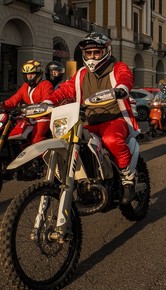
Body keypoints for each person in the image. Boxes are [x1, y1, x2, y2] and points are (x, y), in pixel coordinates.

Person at [42, 32, 139, 204]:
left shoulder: (117, 67)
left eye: (96, 52)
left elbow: (126, 77)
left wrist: (122, 88)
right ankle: (79, 181)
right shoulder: (80, 74)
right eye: (89, 53)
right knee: (68, 142)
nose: (92, 57)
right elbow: (66, 89)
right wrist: (49, 100)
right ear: (84, 54)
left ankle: (127, 179)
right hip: (87, 122)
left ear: (106, 51)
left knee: (111, 140)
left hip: (115, 119)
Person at [0, 59, 54, 144]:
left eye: (31, 74)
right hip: (27, 117)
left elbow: (47, 101)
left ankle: (41, 156)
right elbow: (15, 99)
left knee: (36, 140)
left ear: (38, 74)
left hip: (42, 118)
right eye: (27, 74)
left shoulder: (46, 84)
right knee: (16, 134)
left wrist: (42, 105)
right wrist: (3, 104)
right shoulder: (25, 86)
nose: (29, 77)